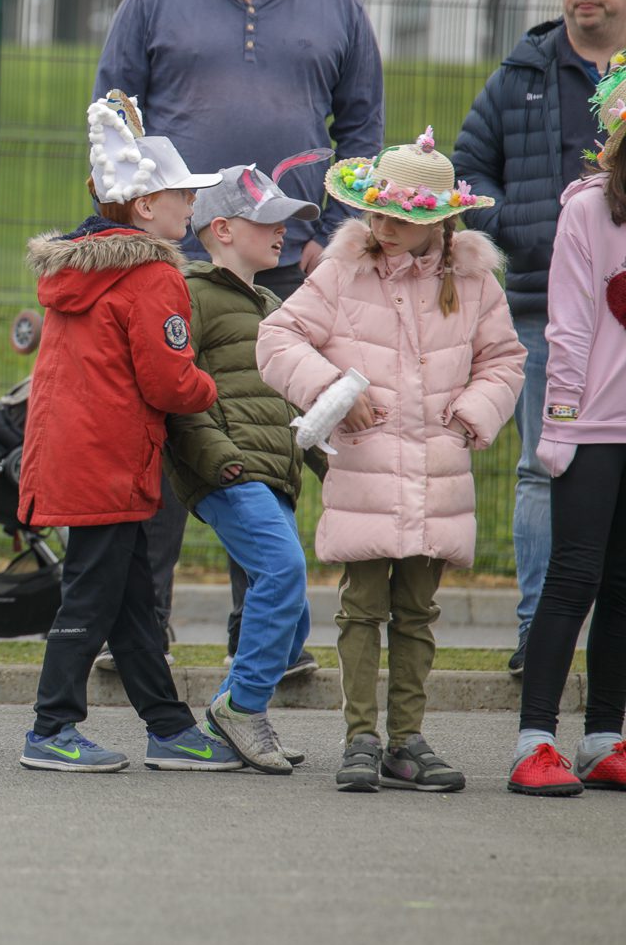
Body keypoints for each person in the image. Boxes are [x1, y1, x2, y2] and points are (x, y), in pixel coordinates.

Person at [94, 0, 383, 663]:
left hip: (291, 270)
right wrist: (131, 230)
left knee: (265, 444)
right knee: (156, 434)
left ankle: (266, 641)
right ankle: (139, 633)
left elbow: (362, 134)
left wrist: (338, 232)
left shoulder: (337, 7)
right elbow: (113, 124)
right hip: (171, 265)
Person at [259, 128, 525, 793]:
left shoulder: (473, 282)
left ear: (438, 220)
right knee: (361, 606)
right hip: (367, 468)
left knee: (417, 609)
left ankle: (406, 737)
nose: (383, 224)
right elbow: (278, 337)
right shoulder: (344, 271)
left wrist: (473, 413)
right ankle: (360, 737)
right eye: (379, 211)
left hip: (437, 471)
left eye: (400, 216)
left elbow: (505, 359)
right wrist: (331, 391)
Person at [14, 95, 239, 775]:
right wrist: (212, 386)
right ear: (144, 206)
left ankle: (167, 725)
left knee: (130, 595)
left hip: (75, 455)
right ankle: (52, 724)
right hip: (110, 461)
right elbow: (170, 381)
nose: (191, 208)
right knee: (94, 591)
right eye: (181, 195)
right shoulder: (153, 275)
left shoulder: (81, 268)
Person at [455, 0, 626, 676]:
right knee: (538, 468)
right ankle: (536, 635)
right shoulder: (520, 74)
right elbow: (466, 171)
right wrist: (527, 233)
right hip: (534, 304)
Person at [164, 161, 329, 774]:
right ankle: (244, 707)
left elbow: (289, 397)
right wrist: (222, 463)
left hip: (272, 469)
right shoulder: (191, 294)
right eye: (269, 221)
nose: (283, 231)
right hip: (230, 470)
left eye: (287, 221)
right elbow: (177, 391)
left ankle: (235, 706)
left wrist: (324, 461)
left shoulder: (271, 302)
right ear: (224, 229)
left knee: (292, 610)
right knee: (283, 573)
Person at [506, 57, 626, 795]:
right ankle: (534, 739)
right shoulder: (588, 210)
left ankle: (606, 735)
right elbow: (570, 328)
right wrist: (559, 421)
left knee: (623, 582)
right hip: (591, 426)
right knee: (574, 573)